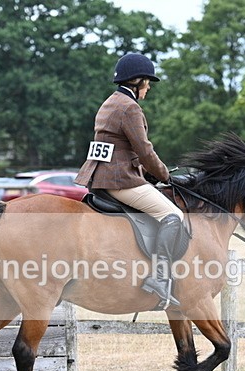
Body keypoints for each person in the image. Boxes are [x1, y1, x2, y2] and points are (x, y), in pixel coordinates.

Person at [74, 52, 184, 309]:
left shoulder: (109, 103)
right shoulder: (130, 108)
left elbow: (116, 149)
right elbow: (144, 150)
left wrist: (142, 172)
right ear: (138, 81)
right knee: (173, 216)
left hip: (101, 178)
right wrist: (164, 174)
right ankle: (158, 277)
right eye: (148, 83)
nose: (149, 88)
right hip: (120, 182)